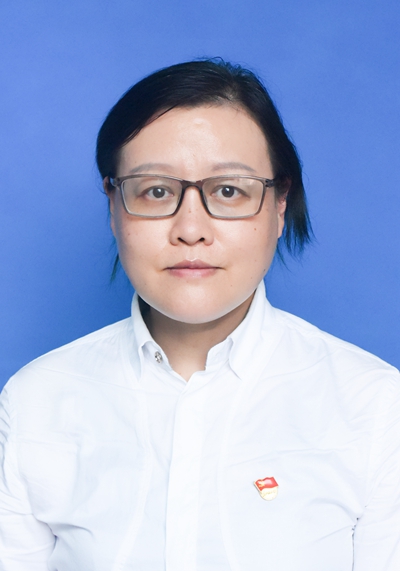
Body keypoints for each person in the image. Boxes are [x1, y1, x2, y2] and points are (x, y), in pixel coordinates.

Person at [0, 59, 399, 571]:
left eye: (229, 191)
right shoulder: (35, 402)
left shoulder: (375, 407)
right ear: (114, 205)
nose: (191, 229)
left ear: (279, 205)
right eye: (156, 191)